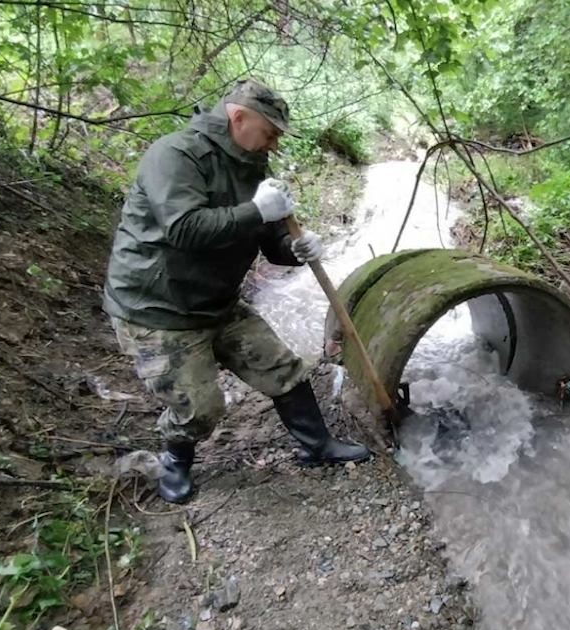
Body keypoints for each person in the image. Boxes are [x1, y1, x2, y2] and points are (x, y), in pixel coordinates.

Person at [102, 79, 370, 504]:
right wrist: (256, 209)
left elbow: (268, 242)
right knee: (200, 407)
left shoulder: (253, 169)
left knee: (283, 368)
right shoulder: (175, 155)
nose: (275, 145)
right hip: (158, 307)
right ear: (238, 117)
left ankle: (318, 445)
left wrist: (296, 248)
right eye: (271, 133)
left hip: (218, 301)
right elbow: (185, 229)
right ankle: (175, 460)